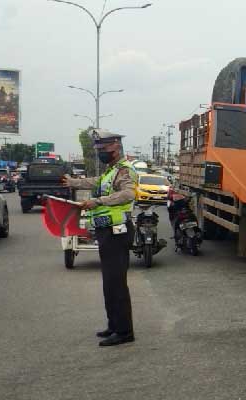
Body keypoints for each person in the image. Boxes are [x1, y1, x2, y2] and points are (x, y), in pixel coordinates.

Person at [62, 129, 137, 347]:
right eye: (98, 149)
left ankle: (124, 331)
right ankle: (113, 325)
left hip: (118, 231)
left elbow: (128, 194)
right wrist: (73, 183)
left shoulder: (125, 170)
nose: (101, 152)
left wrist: (99, 202)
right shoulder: (110, 171)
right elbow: (94, 182)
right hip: (106, 231)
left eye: (103, 148)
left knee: (117, 283)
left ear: (115, 146)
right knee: (109, 283)